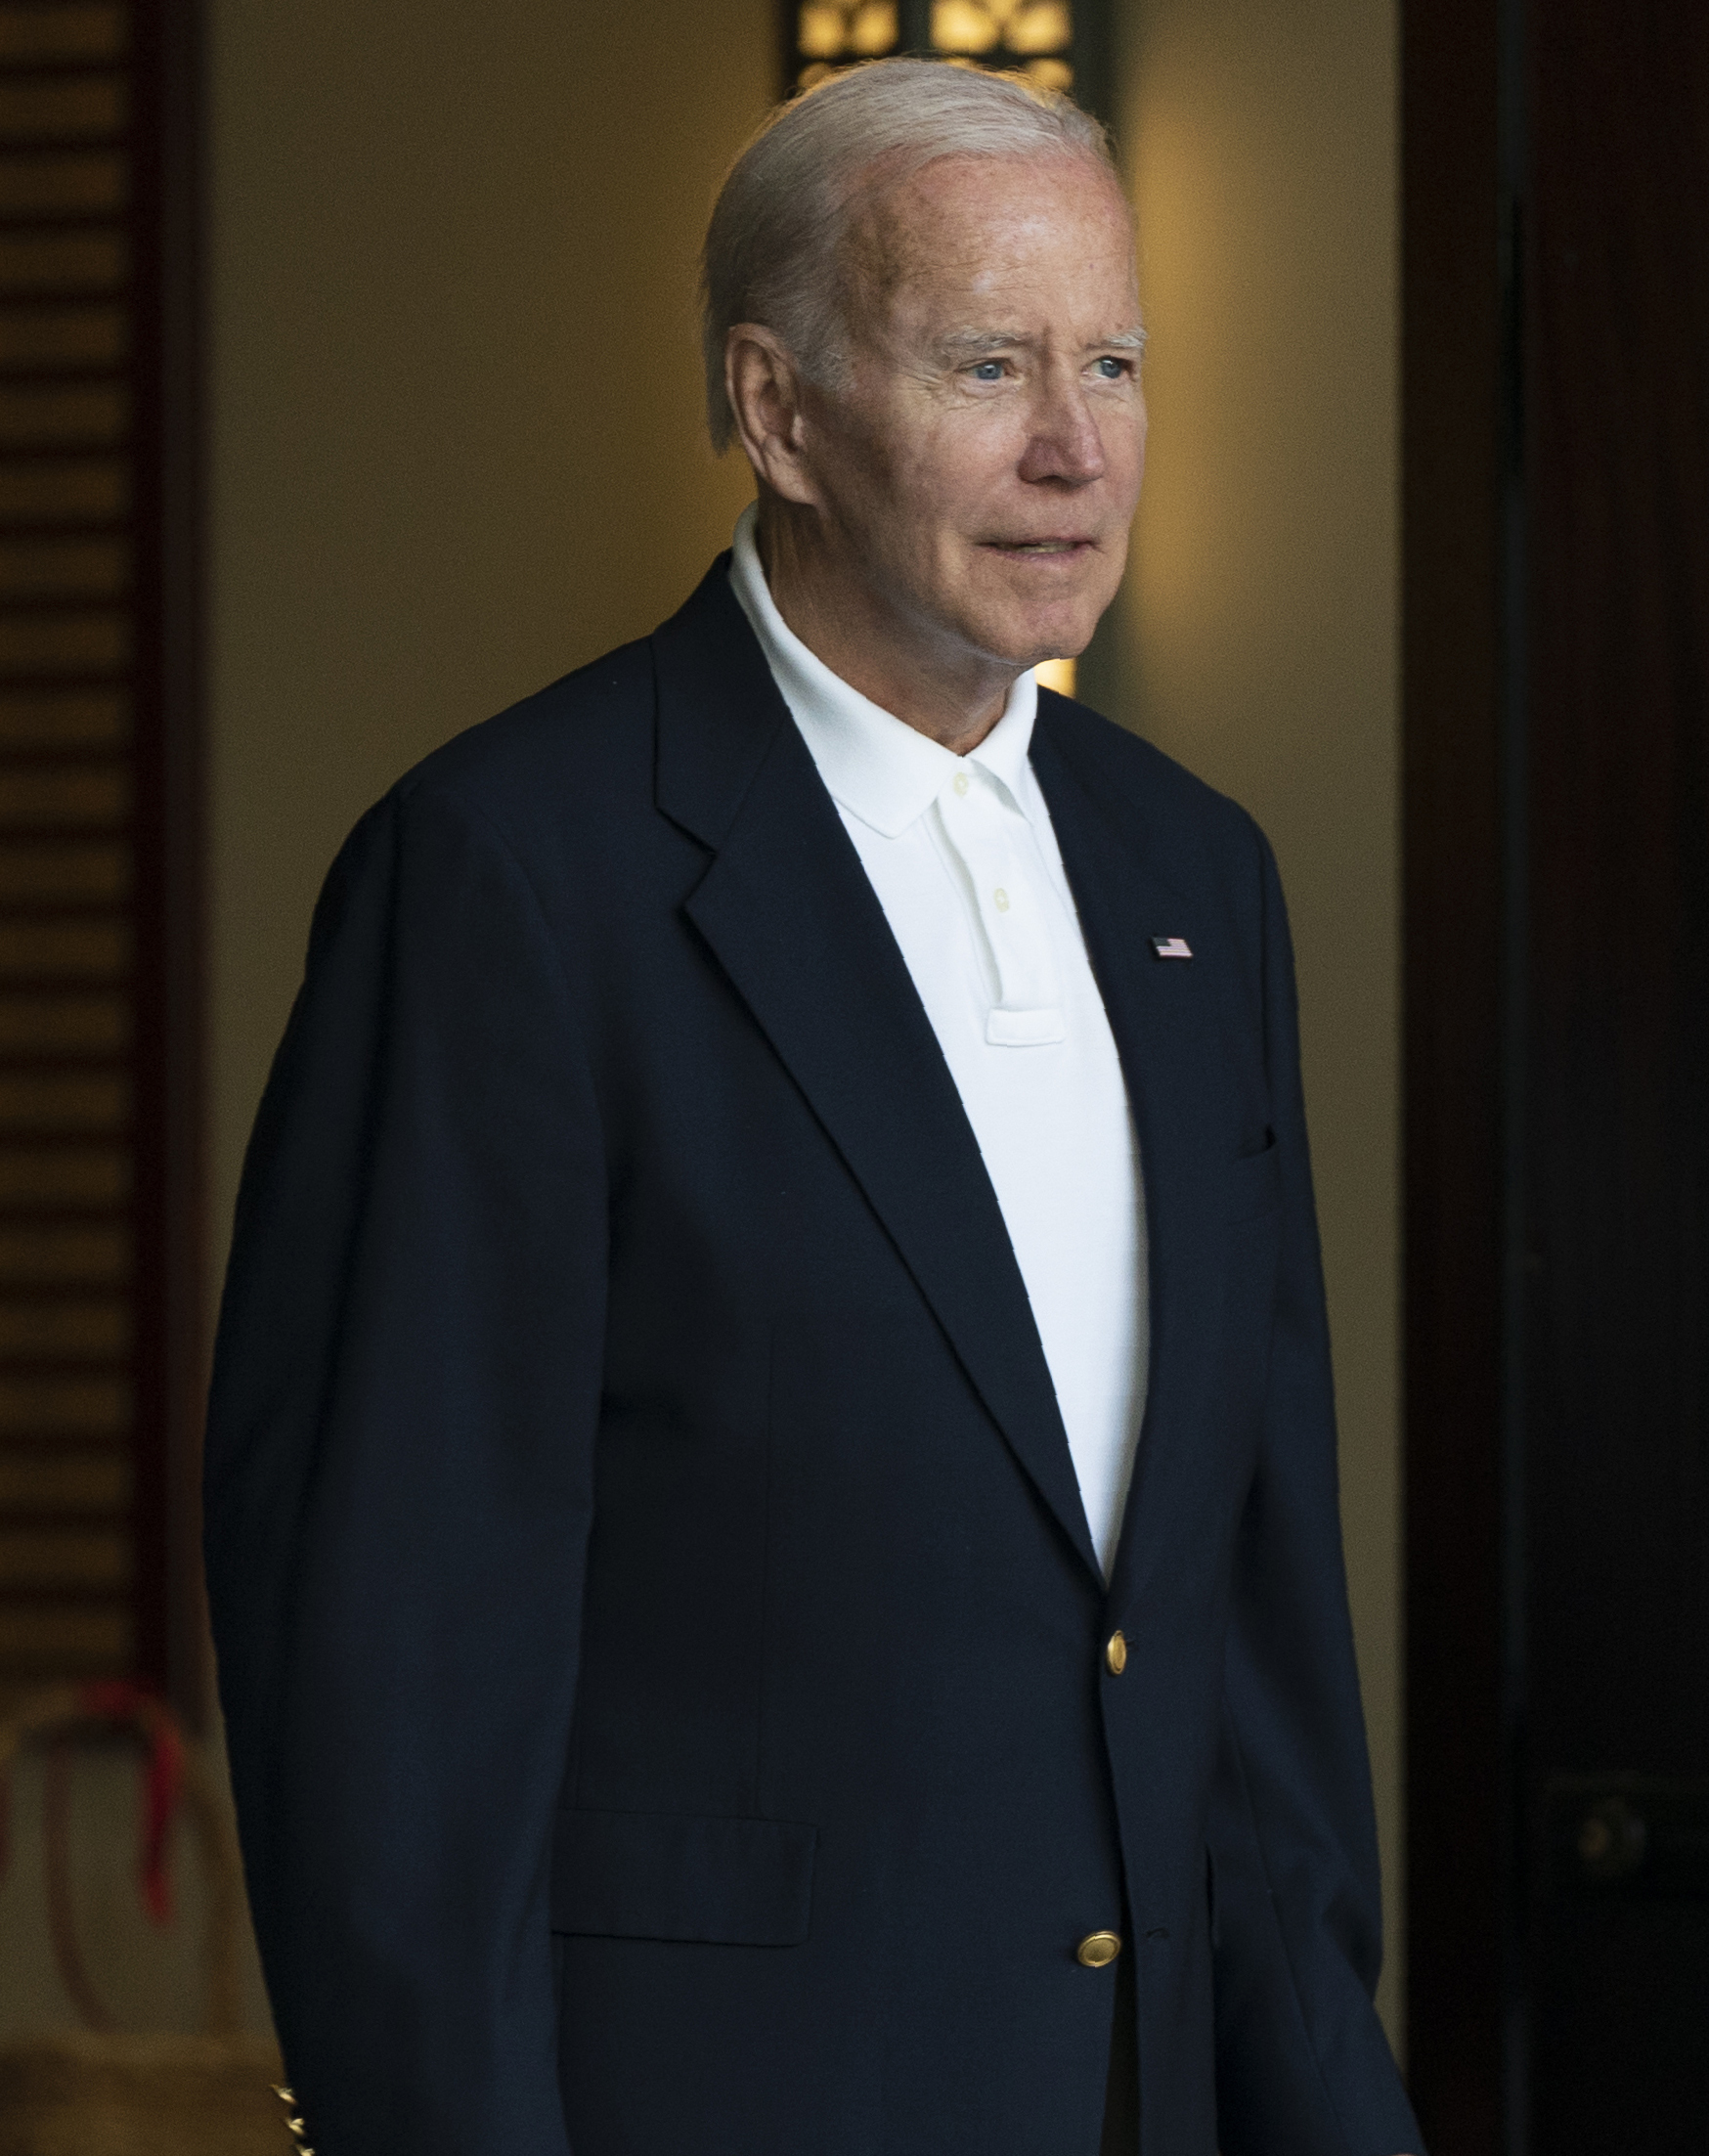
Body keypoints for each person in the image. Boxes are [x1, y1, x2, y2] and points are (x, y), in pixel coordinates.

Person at [202, 61, 1419, 2156]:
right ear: (776, 412)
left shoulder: (1193, 872)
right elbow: (396, 1666)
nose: (1075, 446)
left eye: (1115, 364)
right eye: (988, 365)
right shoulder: (512, 872)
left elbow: (1252, 1624)